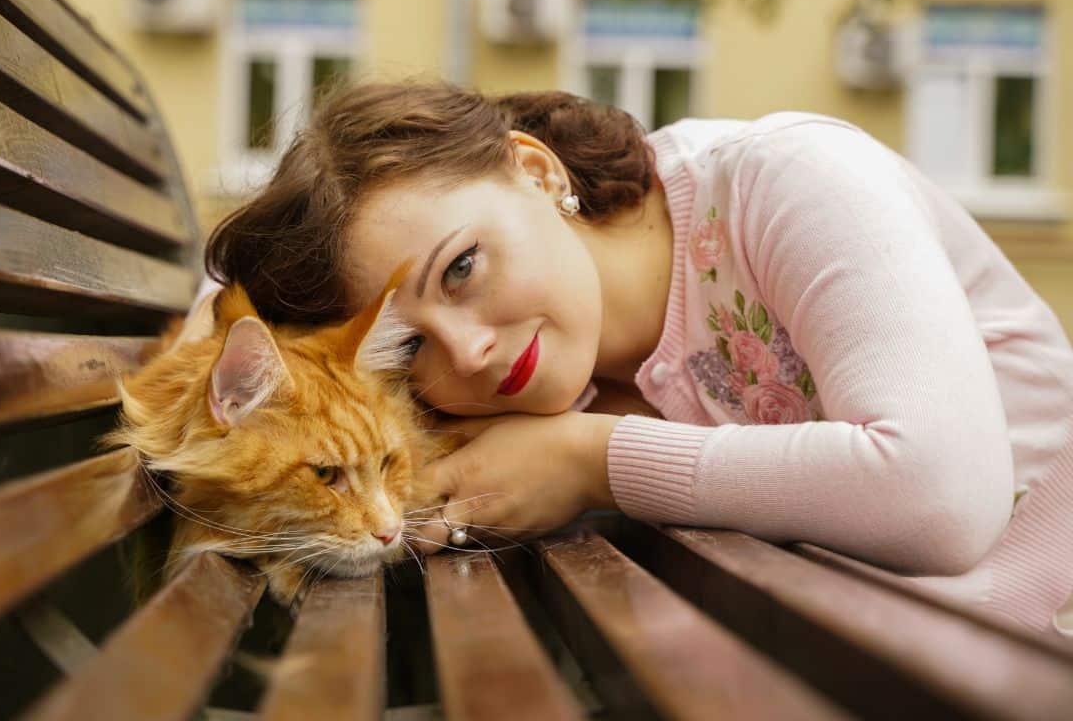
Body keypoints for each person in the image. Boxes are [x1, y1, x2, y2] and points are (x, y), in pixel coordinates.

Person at [204, 81, 1073, 638]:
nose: (466, 350)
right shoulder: (522, 395)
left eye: (463, 267)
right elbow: (228, 334)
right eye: (408, 345)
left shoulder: (789, 179)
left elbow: (940, 498)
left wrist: (594, 462)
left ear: (537, 174)